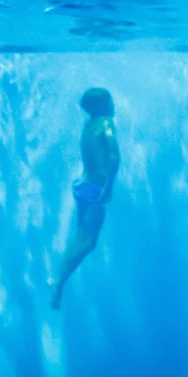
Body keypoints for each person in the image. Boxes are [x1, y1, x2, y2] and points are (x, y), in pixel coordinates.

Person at [48, 88, 120, 310]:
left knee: (80, 238)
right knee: (88, 242)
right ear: (102, 106)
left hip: (81, 186)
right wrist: (108, 187)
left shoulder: (88, 126)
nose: (113, 106)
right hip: (94, 190)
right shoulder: (107, 123)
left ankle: (58, 281)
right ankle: (57, 279)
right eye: (110, 102)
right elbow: (115, 157)